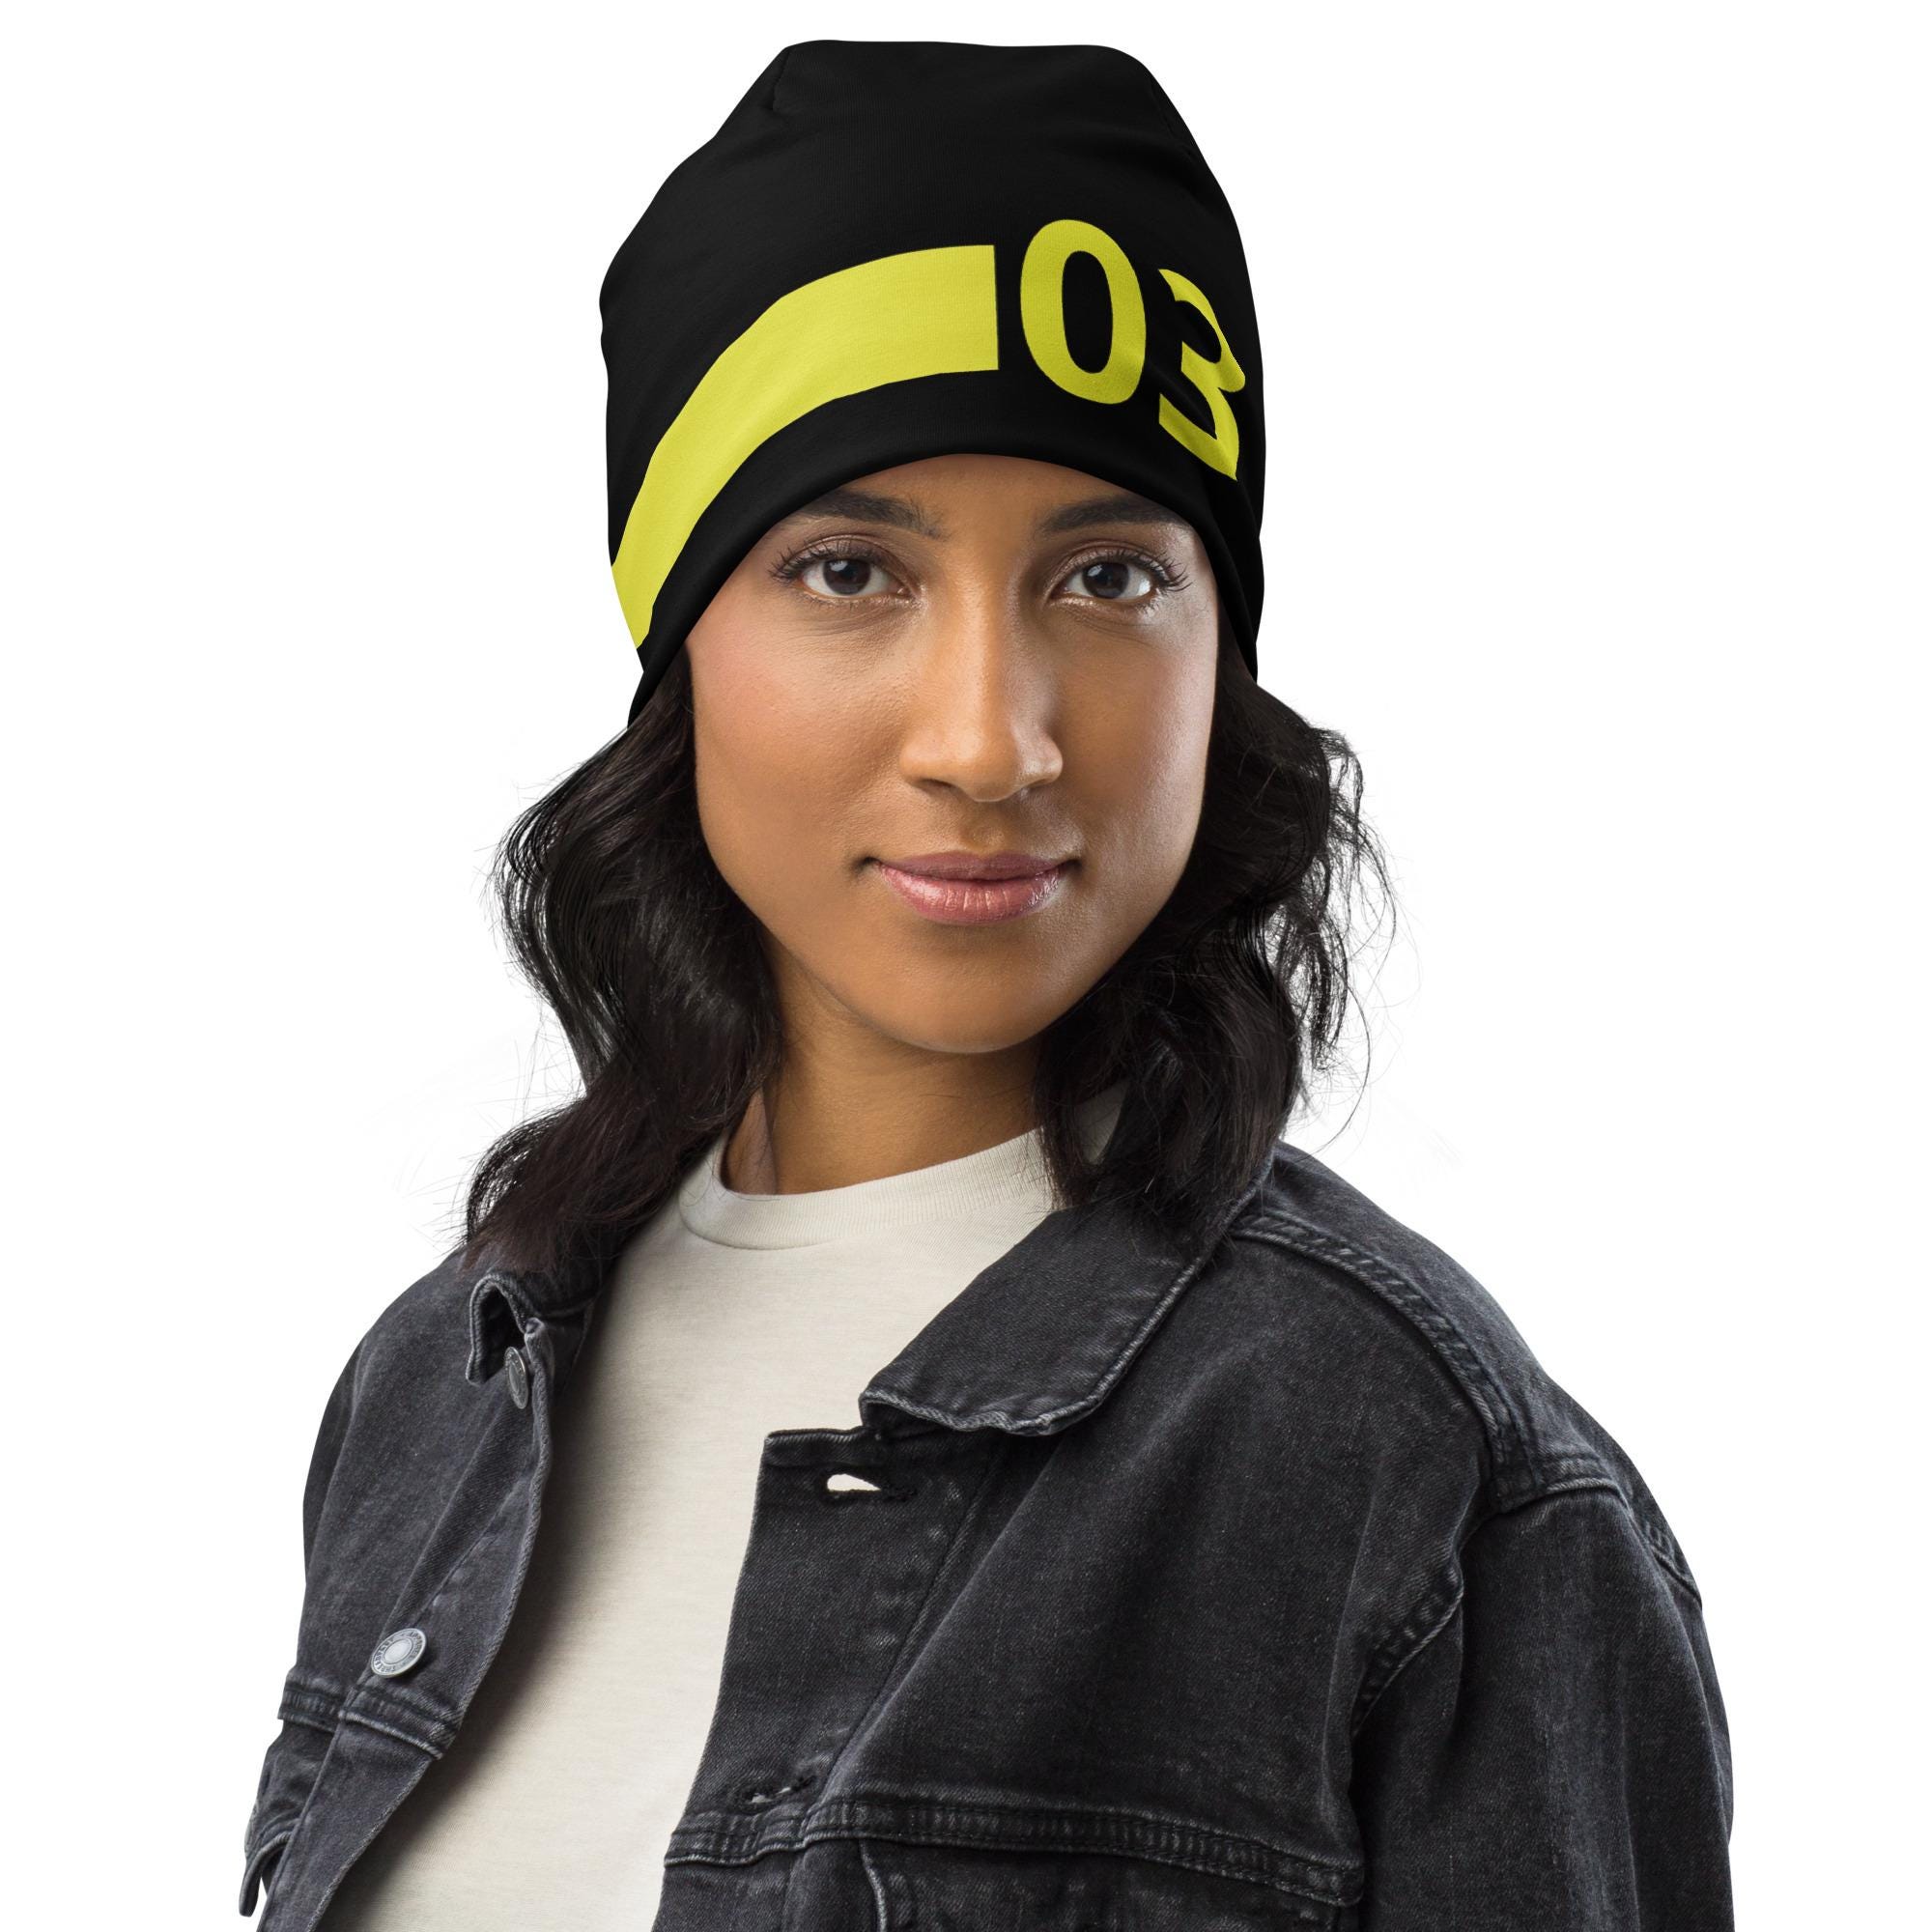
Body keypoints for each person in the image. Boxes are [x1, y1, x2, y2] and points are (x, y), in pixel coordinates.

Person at [238, 41, 1735, 1932]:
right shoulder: (447, 1381)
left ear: (1220, 651)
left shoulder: (1411, 1468)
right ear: (679, 640)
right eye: (849, 569)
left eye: (1107, 579)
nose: (989, 739)